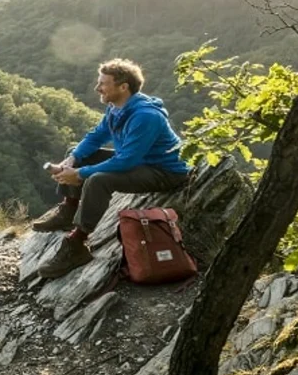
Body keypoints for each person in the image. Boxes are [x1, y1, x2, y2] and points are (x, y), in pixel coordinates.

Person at [32, 58, 191, 279]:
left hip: (164, 172)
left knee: (99, 179)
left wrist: (79, 174)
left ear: (123, 87)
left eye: (103, 83)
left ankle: (77, 243)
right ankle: (69, 210)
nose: (97, 88)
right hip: (141, 161)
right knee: (74, 152)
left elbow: (126, 161)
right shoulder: (116, 108)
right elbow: (97, 136)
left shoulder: (145, 116)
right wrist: (73, 160)